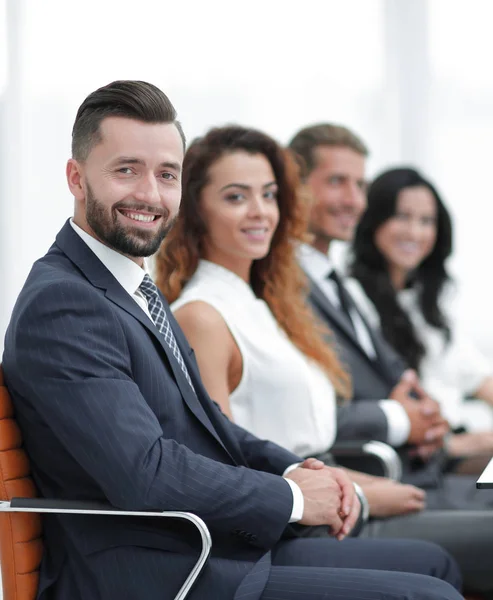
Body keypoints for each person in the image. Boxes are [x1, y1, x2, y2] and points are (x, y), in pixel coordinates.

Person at [0, 81, 463, 600]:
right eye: (126, 170)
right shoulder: (65, 303)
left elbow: (211, 426)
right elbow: (145, 472)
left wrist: (296, 469)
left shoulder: (131, 288)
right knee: (430, 595)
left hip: (208, 549)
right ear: (76, 178)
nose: (151, 195)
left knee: (433, 565)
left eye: (166, 174)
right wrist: (290, 498)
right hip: (157, 573)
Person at [156, 124, 492, 595]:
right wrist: (357, 492)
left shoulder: (261, 304)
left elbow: (294, 444)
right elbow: (227, 460)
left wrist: (350, 485)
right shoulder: (203, 315)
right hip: (290, 525)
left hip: (326, 495)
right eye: (236, 197)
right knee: (437, 568)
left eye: (269, 195)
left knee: (437, 561)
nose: (260, 212)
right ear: (195, 212)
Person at [288, 122, 493, 508]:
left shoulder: (341, 288)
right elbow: (316, 410)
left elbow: (403, 379)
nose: (352, 200)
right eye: (336, 181)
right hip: (396, 470)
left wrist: (419, 408)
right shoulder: (293, 289)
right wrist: (405, 416)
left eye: (360, 186)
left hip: (421, 461)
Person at [347, 167, 493, 460]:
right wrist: (456, 444)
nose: (415, 232)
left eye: (426, 221)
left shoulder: (425, 303)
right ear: (374, 219)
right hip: (423, 453)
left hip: (457, 440)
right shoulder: (352, 298)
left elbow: (479, 377)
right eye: (402, 216)